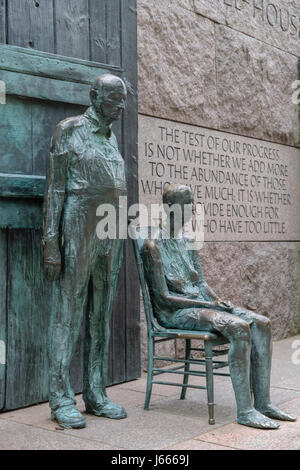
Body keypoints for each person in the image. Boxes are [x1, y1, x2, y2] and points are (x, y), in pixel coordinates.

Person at [141, 183, 296, 429]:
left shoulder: (188, 240)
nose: (192, 209)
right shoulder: (154, 247)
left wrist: (217, 299)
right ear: (169, 207)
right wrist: (208, 303)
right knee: (238, 327)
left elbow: (200, 281)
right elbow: (163, 299)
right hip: (176, 313)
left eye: (192, 203)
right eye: (186, 204)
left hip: (202, 305)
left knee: (262, 323)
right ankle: (245, 411)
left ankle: (263, 403)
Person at [43, 74, 127, 429]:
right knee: (69, 309)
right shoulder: (70, 129)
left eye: (123, 100)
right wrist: (51, 240)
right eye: (113, 99)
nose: (120, 106)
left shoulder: (112, 138)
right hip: (79, 221)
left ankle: (95, 392)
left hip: (113, 226)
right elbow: (55, 190)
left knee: (100, 312)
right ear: (94, 96)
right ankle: (61, 397)